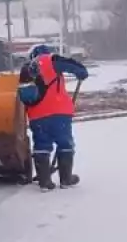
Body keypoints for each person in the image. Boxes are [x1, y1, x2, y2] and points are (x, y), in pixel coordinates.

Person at [18, 43, 89, 191]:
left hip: (36, 116)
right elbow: (73, 66)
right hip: (58, 113)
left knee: (41, 146)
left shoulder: (27, 68)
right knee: (65, 144)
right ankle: (66, 179)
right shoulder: (50, 60)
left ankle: (44, 182)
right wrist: (81, 73)